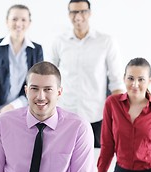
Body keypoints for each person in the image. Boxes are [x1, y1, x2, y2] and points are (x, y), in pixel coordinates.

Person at [50, 0, 125, 148]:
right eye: (74, 12)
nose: (78, 17)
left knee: (96, 164)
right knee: (64, 161)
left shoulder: (106, 41)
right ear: (69, 14)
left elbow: (116, 81)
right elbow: (50, 78)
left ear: (89, 13)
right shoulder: (59, 42)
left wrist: (117, 117)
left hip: (96, 116)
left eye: (82, 12)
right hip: (65, 115)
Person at [0, 4, 43, 113]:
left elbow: (38, 84)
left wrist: (13, 106)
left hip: (25, 108)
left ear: (29, 23)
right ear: (7, 21)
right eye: (14, 19)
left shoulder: (36, 50)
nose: (18, 24)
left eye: (23, 20)